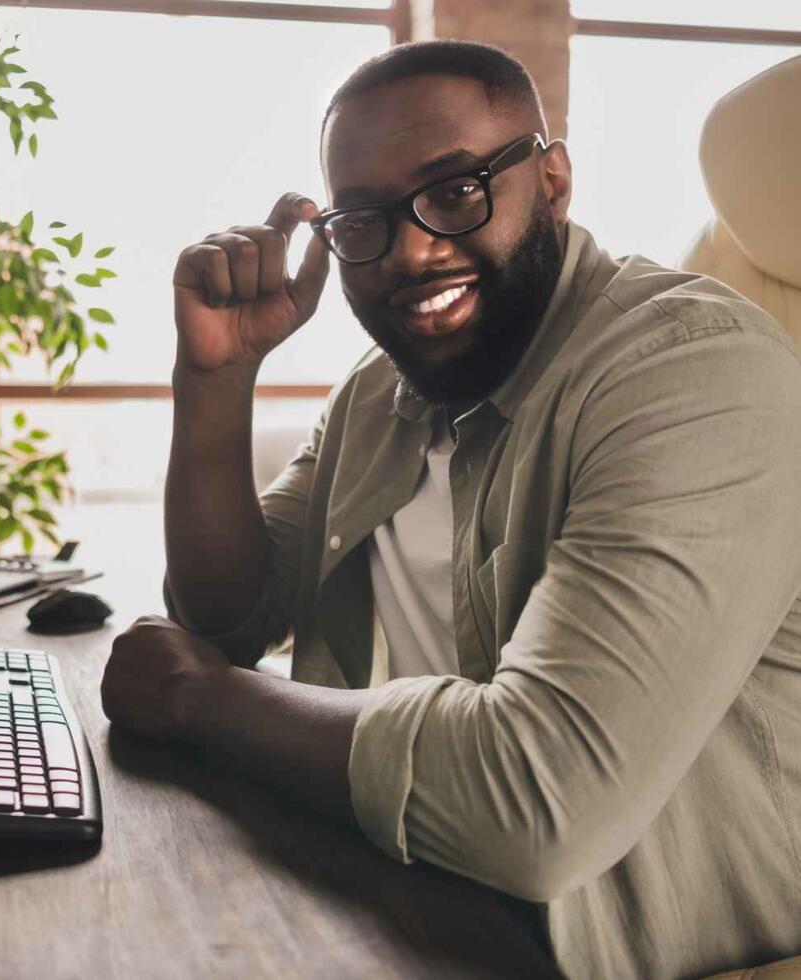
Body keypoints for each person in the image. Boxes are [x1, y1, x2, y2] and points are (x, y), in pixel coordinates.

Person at [99, 39, 801, 979]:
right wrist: (217, 376)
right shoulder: (384, 390)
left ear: (551, 179)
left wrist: (206, 701)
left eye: (456, 190)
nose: (414, 250)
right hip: (421, 885)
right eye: (362, 221)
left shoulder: (695, 371)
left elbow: (538, 805)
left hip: (631, 949)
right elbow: (228, 615)